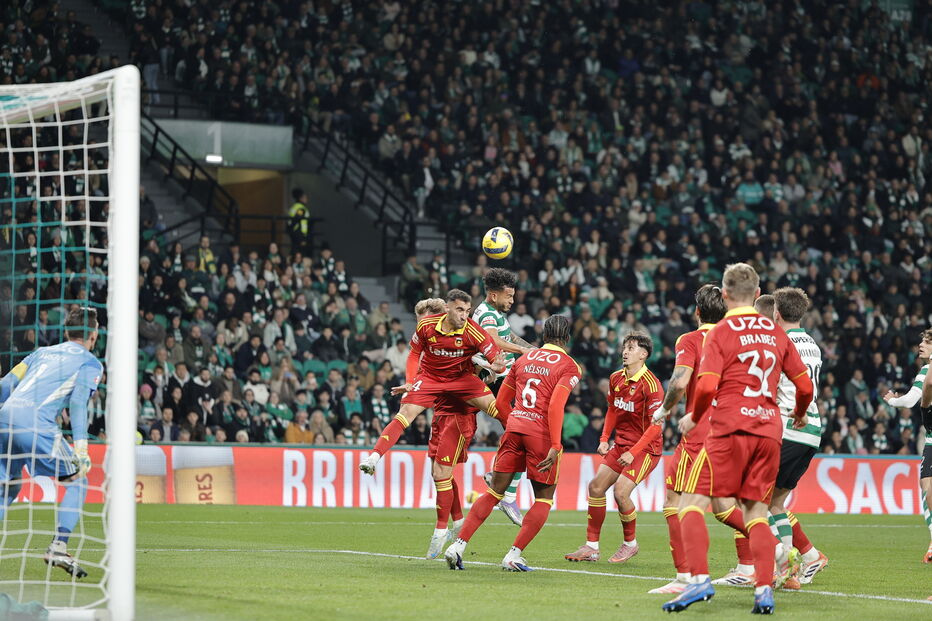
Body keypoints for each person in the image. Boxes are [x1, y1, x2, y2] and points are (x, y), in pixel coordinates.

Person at [662, 263, 813, 615]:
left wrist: (694, 416)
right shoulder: (776, 333)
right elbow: (804, 385)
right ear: (758, 294)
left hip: (729, 428)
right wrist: (801, 412)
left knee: (690, 504)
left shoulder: (721, 331)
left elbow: (706, 386)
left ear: (726, 295)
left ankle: (699, 581)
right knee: (756, 512)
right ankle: (764, 591)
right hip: (769, 432)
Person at [444, 315, 582, 571]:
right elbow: (555, 405)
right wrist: (555, 444)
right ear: (567, 338)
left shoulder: (524, 359)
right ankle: (513, 555)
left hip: (515, 428)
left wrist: (516, 424)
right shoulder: (569, 366)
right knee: (543, 499)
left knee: (494, 492)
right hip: (541, 435)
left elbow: (500, 402)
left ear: (544, 335)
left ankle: (457, 546)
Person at [0, 308, 104, 579]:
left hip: (4, 418)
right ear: (93, 335)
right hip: (36, 424)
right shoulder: (90, 362)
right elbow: (78, 402)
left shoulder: (40, 353)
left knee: (8, 487)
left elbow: (6, 384)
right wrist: (81, 447)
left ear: (67, 332)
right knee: (78, 480)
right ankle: (59, 546)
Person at [358, 289, 506, 474]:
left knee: (499, 410)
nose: (464, 315)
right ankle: (373, 457)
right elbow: (414, 354)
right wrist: (410, 382)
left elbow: (495, 361)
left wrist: (497, 367)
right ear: (447, 309)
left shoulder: (474, 332)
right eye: (460, 310)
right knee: (406, 415)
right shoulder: (426, 326)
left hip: (461, 387)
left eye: (467, 311)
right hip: (431, 380)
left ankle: (510, 461)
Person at [640, 284, 728, 594]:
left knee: (676, 502)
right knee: (725, 506)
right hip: (733, 429)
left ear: (697, 312)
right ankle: (760, 557)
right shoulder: (734, 340)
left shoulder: (690, 339)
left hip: (700, 431)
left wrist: (664, 410)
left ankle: (686, 577)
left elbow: (679, 383)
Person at [564, 332, 663, 564]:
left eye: (631, 348)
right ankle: (591, 547)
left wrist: (633, 452)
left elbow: (656, 427)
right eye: (624, 348)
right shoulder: (616, 378)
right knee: (596, 487)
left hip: (646, 449)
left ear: (643, 354)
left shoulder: (652, 385)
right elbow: (612, 409)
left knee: (620, 492)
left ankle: (630, 544)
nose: (625, 352)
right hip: (621, 445)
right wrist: (604, 438)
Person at [756, 289, 829, 587]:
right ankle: (801, 563)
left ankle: (783, 564)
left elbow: (771, 386)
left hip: (788, 426)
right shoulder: (812, 344)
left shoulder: (779, 342)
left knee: (754, 502)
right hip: (812, 432)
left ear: (776, 313)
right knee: (776, 501)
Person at [472, 268, 535, 526]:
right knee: (524, 433)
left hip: (504, 380)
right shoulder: (487, 314)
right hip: (498, 381)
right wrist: (521, 350)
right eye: (508, 296)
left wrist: (532, 350)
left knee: (520, 434)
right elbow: (495, 340)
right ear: (493, 294)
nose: (512, 300)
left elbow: (508, 335)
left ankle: (498, 480)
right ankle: (506, 494)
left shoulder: (496, 313)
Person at [907, 330, 932, 563]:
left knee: (928, 487)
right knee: (926, 485)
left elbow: (909, 400)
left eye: (926, 341)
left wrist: (892, 400)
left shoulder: (927, 371)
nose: (921, 344)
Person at [288, 188, 312, 255]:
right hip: (299, 233)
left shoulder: (295, 206)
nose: (306, 199)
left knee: (296, 251)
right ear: (300, 198)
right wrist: (301, 237)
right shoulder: (301, 208)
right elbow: (296, 220)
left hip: (295, 232)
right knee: (298, 252)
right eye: (305, 197)